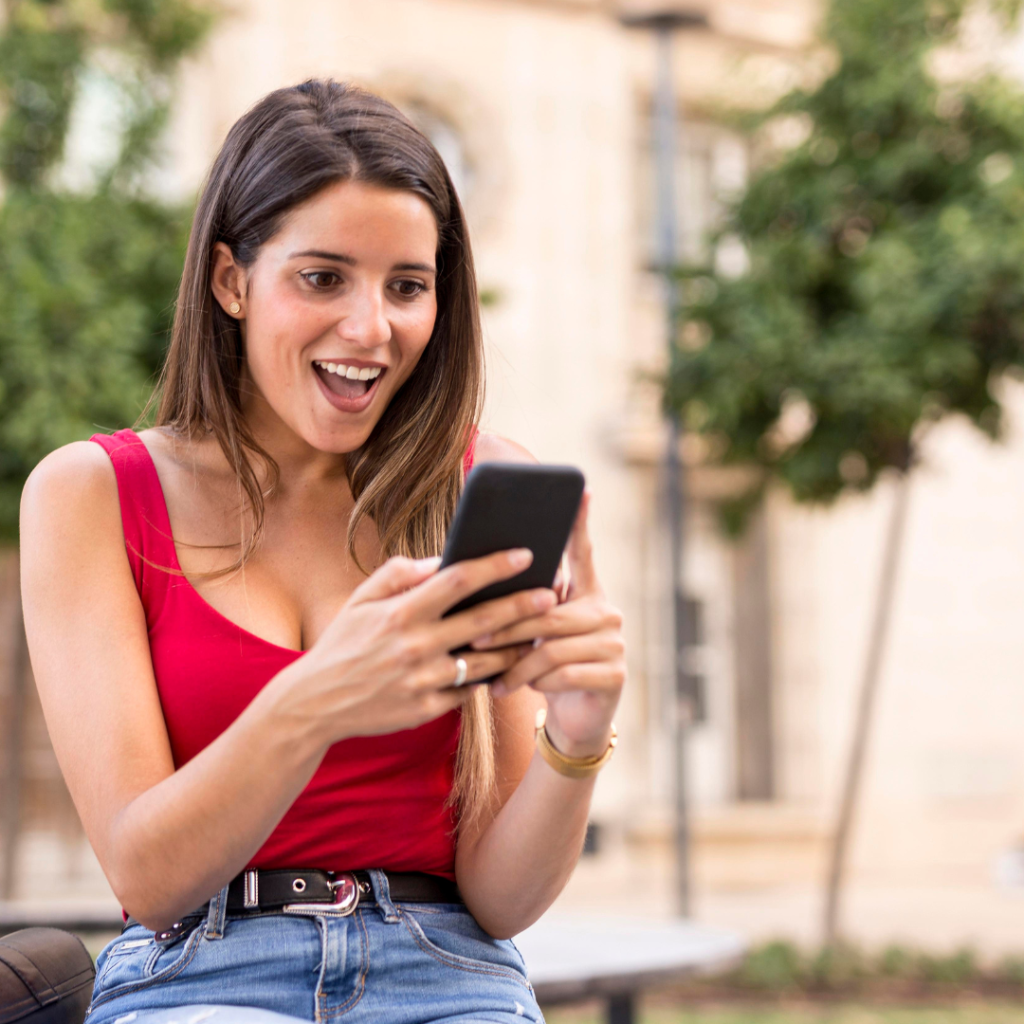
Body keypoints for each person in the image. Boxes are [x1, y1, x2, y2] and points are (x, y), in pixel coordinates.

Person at [19, 80, 625, 1024]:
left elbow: (503, 900)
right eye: (322, 277)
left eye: (407, 286)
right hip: (202, 974)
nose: (370, 328)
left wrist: (575, 742)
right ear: (231, 281)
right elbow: (147, 874)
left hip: (447, 973)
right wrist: (315, 699)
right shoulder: (92, 495)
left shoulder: (480, 483)